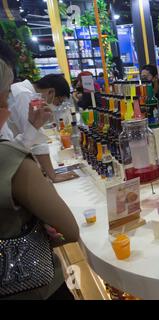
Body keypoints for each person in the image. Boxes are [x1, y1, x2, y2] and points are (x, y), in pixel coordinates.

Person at [0, 57, 80, 300]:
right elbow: (70, 230)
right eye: (4, 96)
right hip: (32, 286)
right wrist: (50, 177)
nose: (7, 103)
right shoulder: (10, 160)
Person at [7, 74, 79, 183]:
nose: (55, 107)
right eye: (57, 102)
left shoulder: (23, 90)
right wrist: (53, 175)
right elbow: (35, 136)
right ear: (51, 92)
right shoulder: (25, 94)